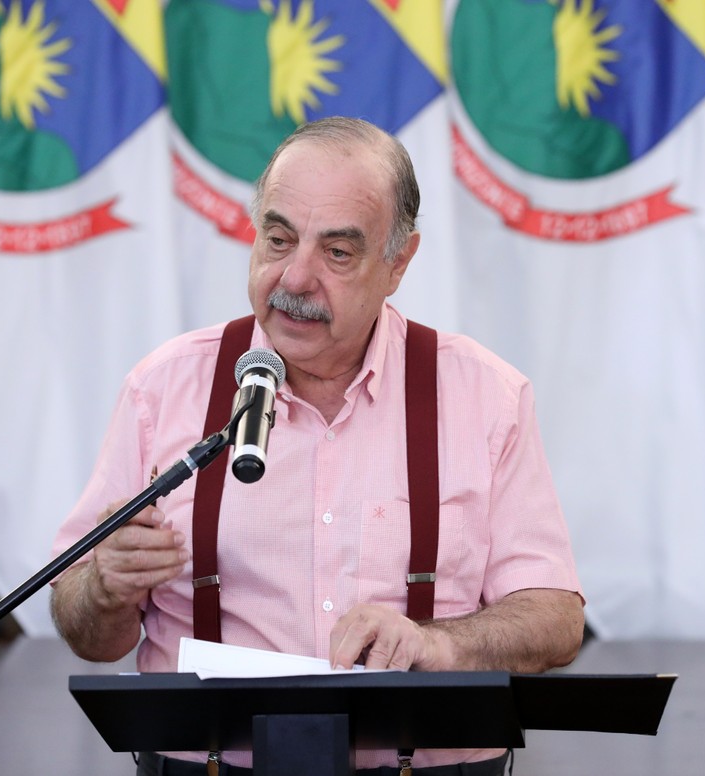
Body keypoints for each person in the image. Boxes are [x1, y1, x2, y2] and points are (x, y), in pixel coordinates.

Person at [50, 117, 585, 776]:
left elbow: (554, 618)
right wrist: (103, 587)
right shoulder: (163, 389)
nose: (295, 278)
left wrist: (436, 644)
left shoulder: (486, 395)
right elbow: (84, 627)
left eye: (337, 253)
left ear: (398, 263)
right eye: (278, 240)